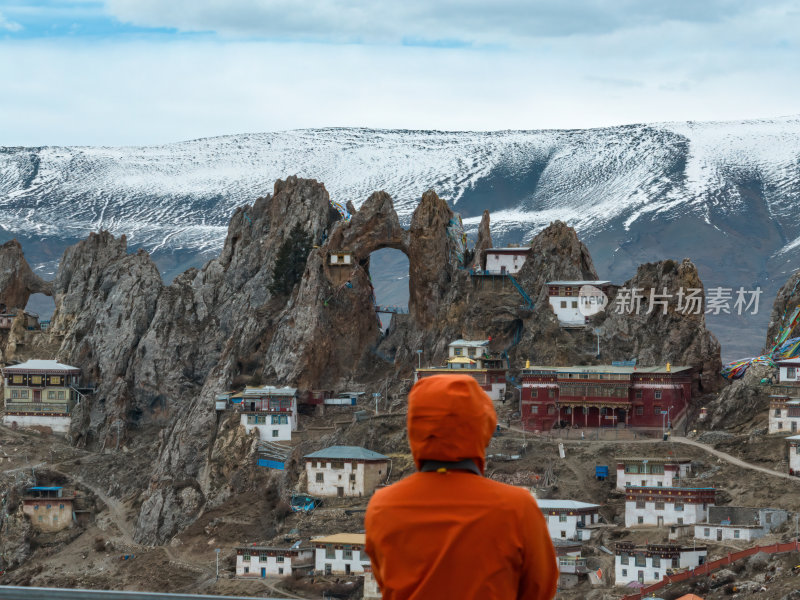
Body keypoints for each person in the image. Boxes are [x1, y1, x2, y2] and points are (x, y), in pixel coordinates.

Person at [365, 374, 558, 600]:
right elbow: (540, 589)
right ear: (482, 426)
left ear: (415, 427)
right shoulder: (517, 509)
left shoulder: (383, 508)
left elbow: (386, 582)